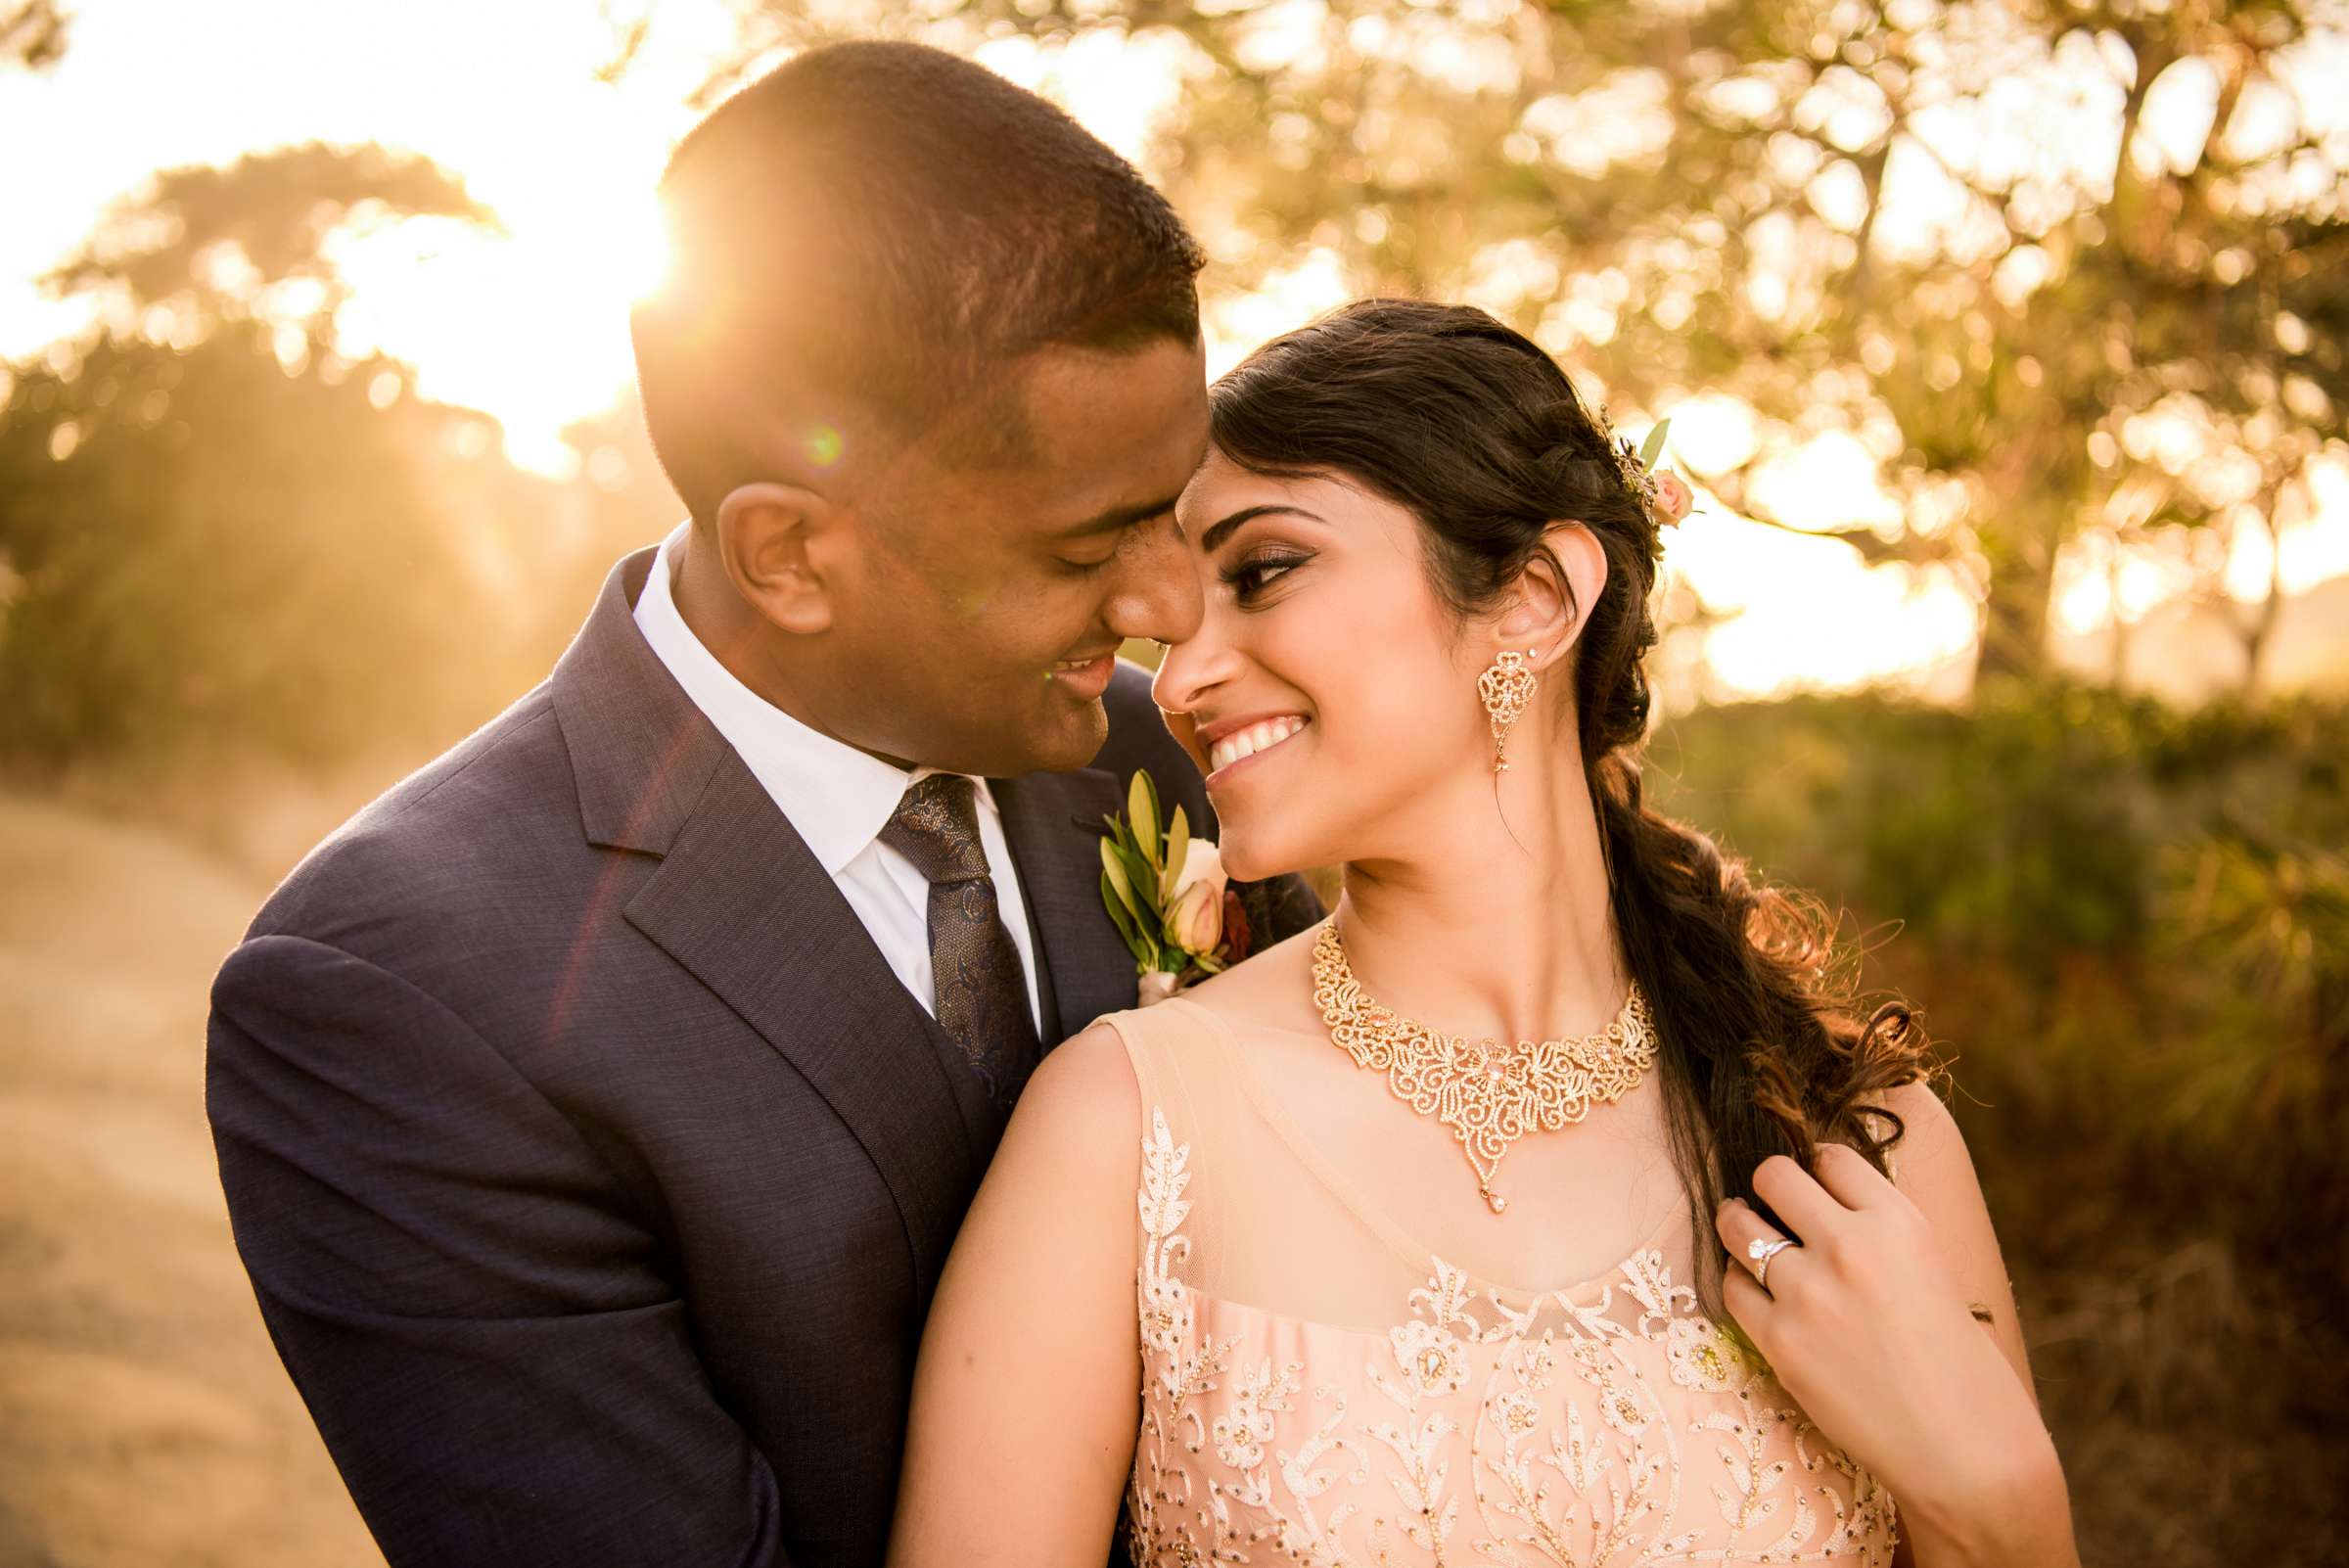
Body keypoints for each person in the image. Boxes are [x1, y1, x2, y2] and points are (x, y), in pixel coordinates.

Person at [204, 40, 1321, 1567]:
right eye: (1089, 547)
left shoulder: (1187, 763)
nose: (1174, 601)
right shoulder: (397, 993)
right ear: (791, 552)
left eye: (1176, 507)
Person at [887, 300, 2080, 1567]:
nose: (1177, 680)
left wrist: (2002, 1496)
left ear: (1535, 595)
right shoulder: (1122, 1128)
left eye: (1264, 570)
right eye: (1172, 623)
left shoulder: (1858, 1142)